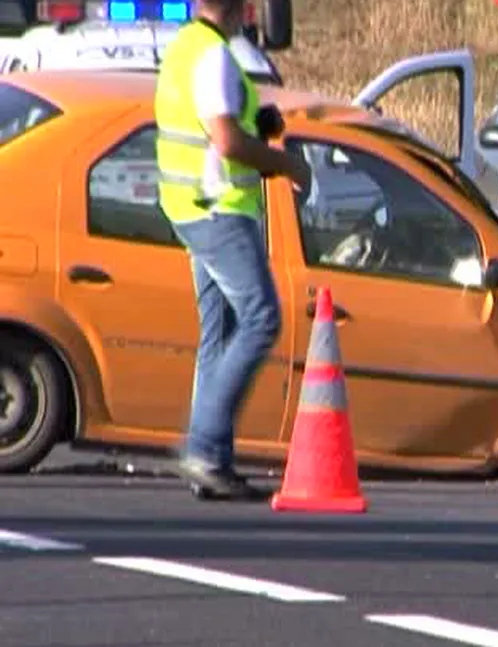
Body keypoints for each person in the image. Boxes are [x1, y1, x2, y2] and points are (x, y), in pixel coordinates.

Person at [155, 0, 311, 500]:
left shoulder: (184, 48)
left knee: (219, 330)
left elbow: (215, 126)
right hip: (220, 209)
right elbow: (224, 140)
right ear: (242, 9)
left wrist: (256, 127)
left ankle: (212, 462)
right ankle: (203, 447)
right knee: (262, 318)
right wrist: (284, 164)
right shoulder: (216, 56)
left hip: (189, 205)